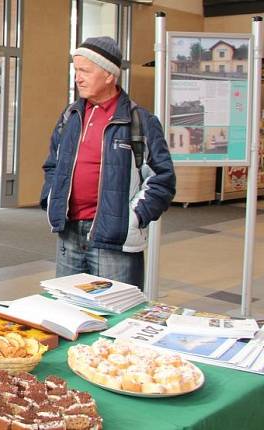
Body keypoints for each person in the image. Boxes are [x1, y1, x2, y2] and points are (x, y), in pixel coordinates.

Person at [41, 36, 176, 288]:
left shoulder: (141, 121)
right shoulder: (70, 116)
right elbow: (52, 165)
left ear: (109, 76)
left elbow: (162, 179)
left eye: (85, 71)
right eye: (76, 70)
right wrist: (51, 199)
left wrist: (131, 219)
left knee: (116, 318)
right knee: (68, 315)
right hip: (69, 233)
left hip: (114, 240)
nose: (77, 78)